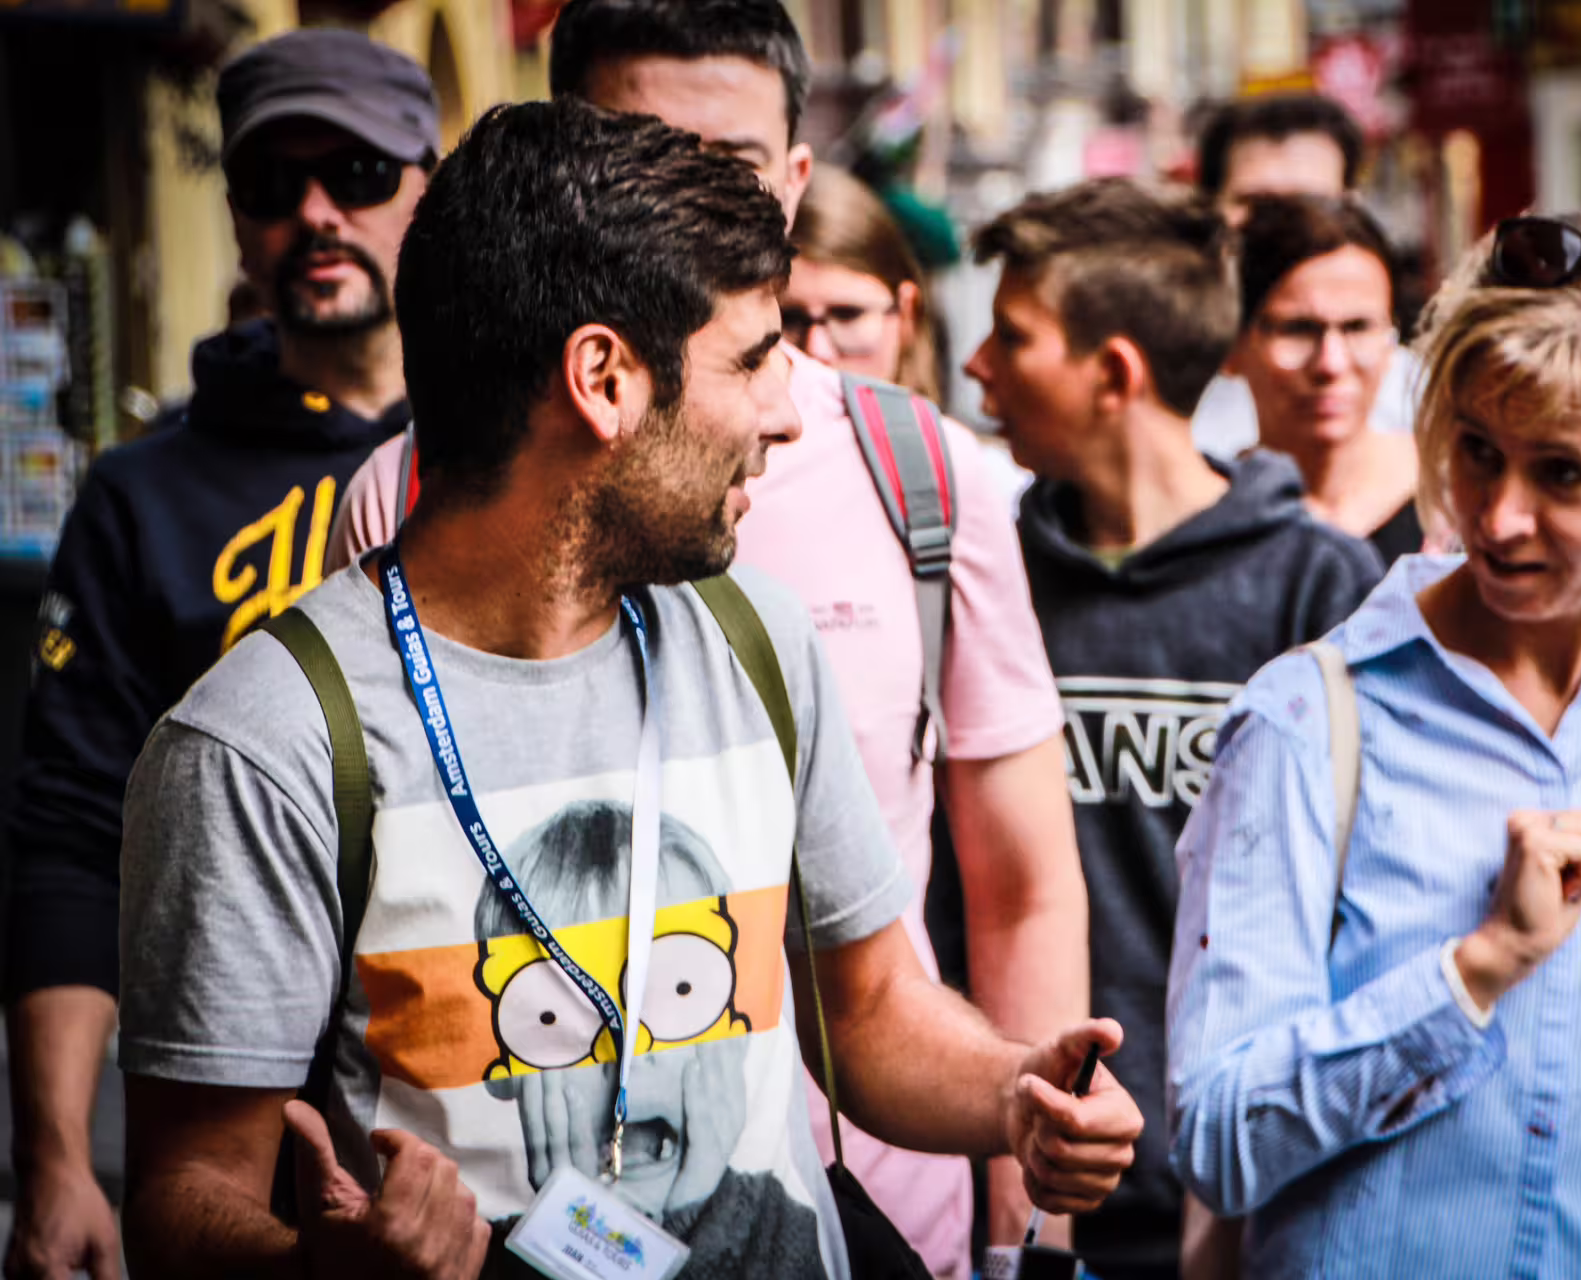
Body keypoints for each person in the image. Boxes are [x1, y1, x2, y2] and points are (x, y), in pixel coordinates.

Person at [115, 99, 1141, 1280]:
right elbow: (183, 1196)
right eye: (754, 358)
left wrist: (1017, 1096)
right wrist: (325, 1266)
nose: (789, 413)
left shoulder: (756, 636)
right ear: (603, 377)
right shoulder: (264, 742)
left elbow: (867, 1011)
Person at [325, 3, 1087, 1269]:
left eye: (721, 168)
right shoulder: (416, 491)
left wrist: (1031, 1195)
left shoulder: (922, 476)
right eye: (632, 147)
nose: (666, 196)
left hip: (888, 1200)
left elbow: (1020, 884)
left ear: (794, 179)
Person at [1166, 211, 1581, 1276]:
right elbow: (1217, 1137)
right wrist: (1472, 973)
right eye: (1477, 451)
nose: (1498, 515)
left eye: (1562, 474)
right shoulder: (1309, 721)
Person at [1, 30, 430, 1280]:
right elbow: (73, 833)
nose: (315, 213)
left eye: (354, 172)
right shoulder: (143, 499)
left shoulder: (507, 462)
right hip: (228, 1138)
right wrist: (59, 1160)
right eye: (270, 183)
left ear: (428, 186)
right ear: (236, 220)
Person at [963, 178, 1382, 1280]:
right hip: (1018, 1176)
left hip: (1240, 1193)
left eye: (1012, 337)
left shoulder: (1320, 583)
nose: (977, 367)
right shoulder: (984, 569)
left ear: (1114, 374)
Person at [1188, 93, 1420, 460]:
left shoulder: (1417, 400)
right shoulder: (1166, 391)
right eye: (1259, 205)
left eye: (1312, 203)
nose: (1283, 228)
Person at [1230, 195, 1423, 560]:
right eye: (1298, 330)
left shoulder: (1458, 500)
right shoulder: (1207, 522)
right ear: (1233, 348)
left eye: (1357, 328)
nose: (1330, 364)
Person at [785, 162, 942, 400]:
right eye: (787, 319)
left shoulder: (946, 439)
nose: (816, 350)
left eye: (848, 315)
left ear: (907, 313)